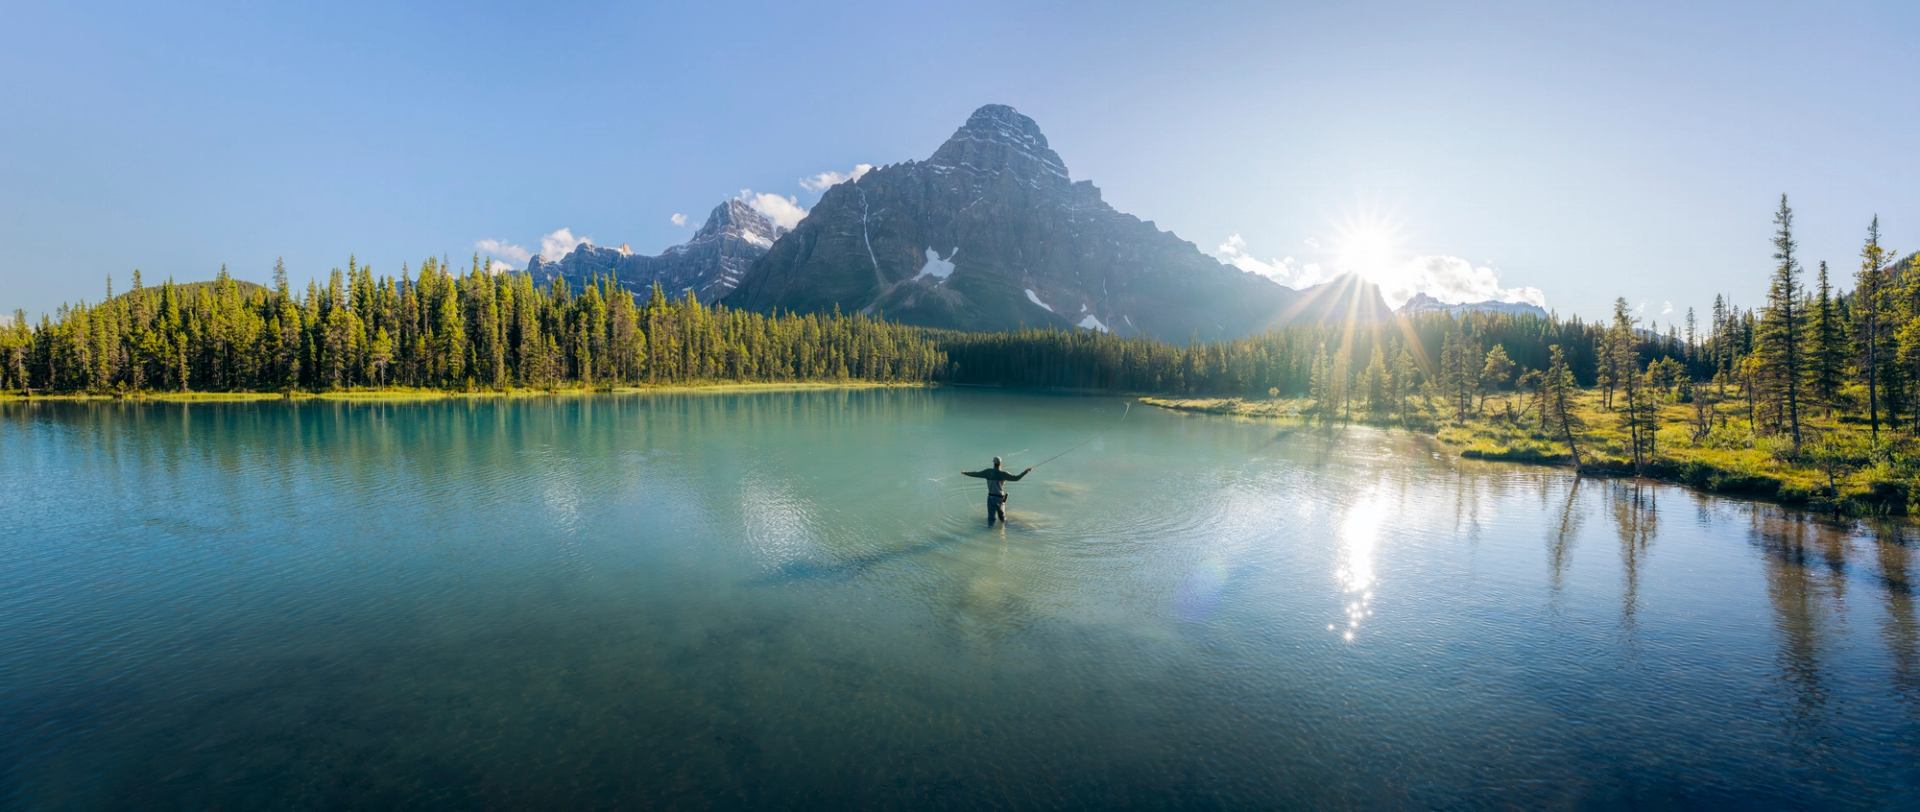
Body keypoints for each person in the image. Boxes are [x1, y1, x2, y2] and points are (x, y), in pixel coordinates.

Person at [962, 456, 1032, 526]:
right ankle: (1002, 533)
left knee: (991, 519)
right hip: (1000, 498)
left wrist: (965, 473)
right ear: (1000, 463)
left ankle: (989, 532)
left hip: (990, 497)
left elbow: (976, 474)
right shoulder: (1004, 474)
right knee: (1002, 519)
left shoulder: (988, 472)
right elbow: (1016, 478)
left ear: (993, 463)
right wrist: (1026, 471)